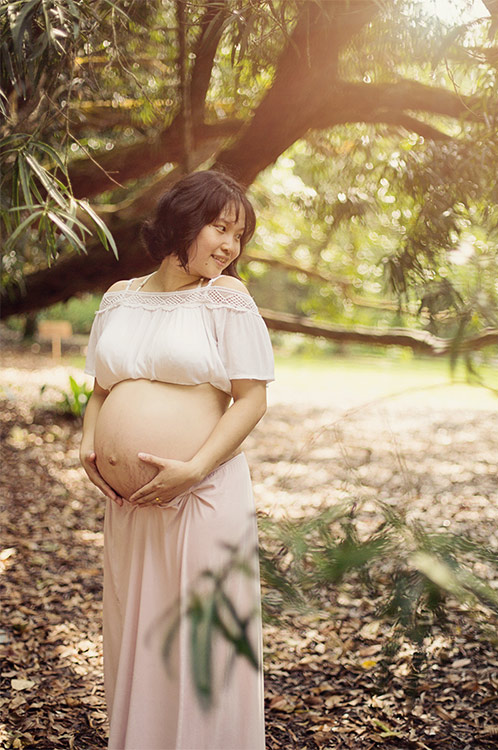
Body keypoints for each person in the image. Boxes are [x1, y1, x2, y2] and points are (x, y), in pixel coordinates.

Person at [79, 169, 273, 745]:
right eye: (219, 228)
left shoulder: (227, 298)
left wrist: (195, 467)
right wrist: (90, 443)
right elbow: (101, 388)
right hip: (131, 503)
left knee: (197, 636)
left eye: (239, 236)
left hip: (203, 493)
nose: (230, 247)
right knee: (138, 629)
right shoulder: (120, 297)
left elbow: (253, 397)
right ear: (181, 222)